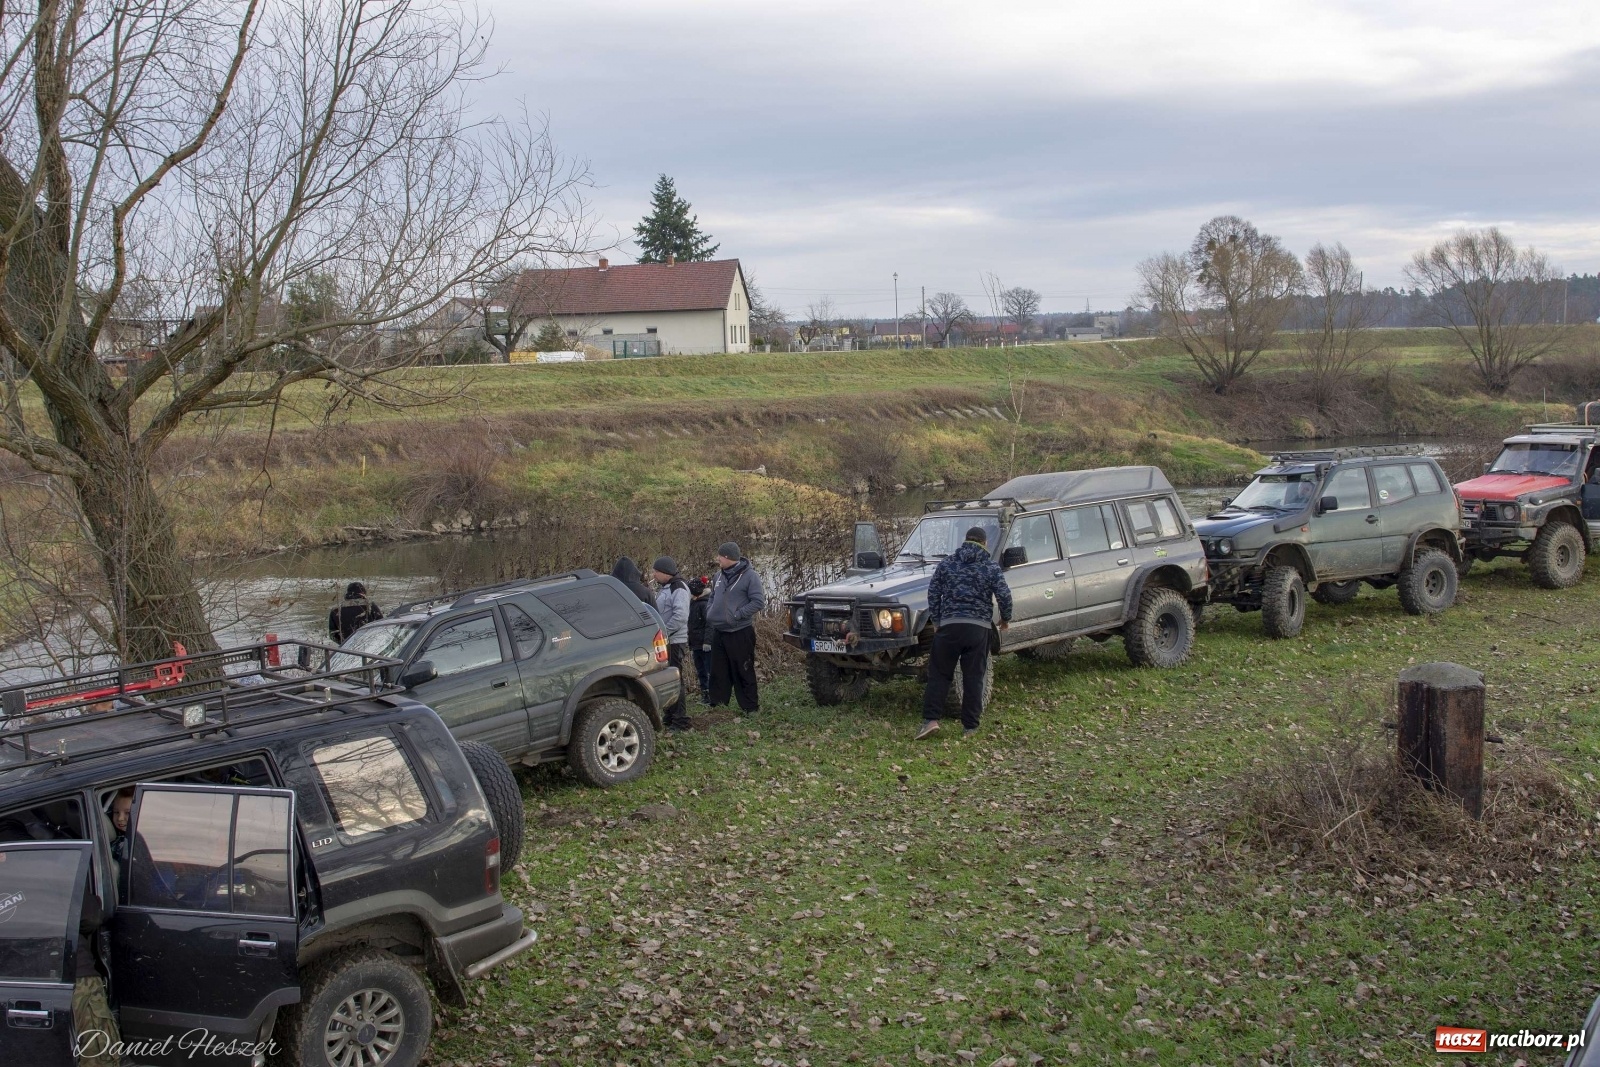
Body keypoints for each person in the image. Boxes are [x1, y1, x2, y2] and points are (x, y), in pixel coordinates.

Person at [918, 526, 1012, 740]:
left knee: (940, 674)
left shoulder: (947, 564)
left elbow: (933, 591)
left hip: (949, 626)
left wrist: (938, 620)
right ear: (984, 543)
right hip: (978, 628)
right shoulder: (990, 567)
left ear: (965, 541)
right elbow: (1005, 596)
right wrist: (1005, 619)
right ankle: (970, 727)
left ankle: (931, 721)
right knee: (973, 677)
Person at [706, 541, 765, 715]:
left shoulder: (750, 576)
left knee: (743, 669)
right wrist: (710, 611)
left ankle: (750, 707)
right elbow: (712, 597)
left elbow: (758, 602)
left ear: (727, 557)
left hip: (740, 632)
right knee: (718, 670)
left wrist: (737, 615)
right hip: (720, 631)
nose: (717, 559)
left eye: (719, 556)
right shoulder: (718, 576)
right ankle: (717, 705)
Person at [73, 871, 120, 1067]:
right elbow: (90, 919)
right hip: (76, 977)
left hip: (20, 978)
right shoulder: (57, 865)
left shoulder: (15, 860)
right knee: (97, 1056)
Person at [651, 556, 693, 731]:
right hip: (667, 640)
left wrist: (664, 633)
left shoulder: (679, 588)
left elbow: (681, 616)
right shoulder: (666, 588)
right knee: (667, 678)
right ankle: (670, 715)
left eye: (656, 572)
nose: (654, 575)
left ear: (664, 572)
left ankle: (681, 720)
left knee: (676, 679)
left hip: (674, 641)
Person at [687, 576, 712, 703]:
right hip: (696, 644)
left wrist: (707, 641)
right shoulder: (692, 604)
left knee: (709, 670)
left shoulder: (704, 604)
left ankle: (713, 694)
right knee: (701, 670)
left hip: (704, 644)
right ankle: (705, 694)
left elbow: (710, 624)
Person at [109, 788, 134, 903]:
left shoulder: (131, 846)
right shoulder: (117, 841)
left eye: (127, 813)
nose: (120, 818)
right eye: (116, 812)